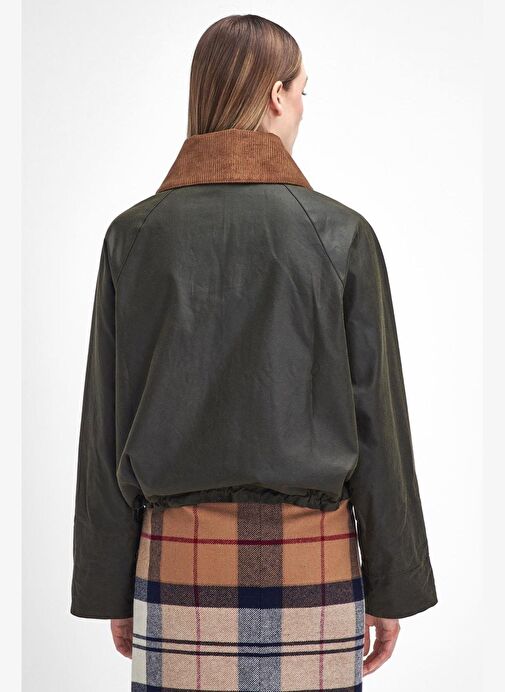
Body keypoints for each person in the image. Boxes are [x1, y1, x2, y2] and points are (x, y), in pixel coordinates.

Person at [70, 13, 438, 691]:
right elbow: (378, 428)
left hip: (175, 560)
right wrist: (394, 584)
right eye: (301, 90)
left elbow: (105, 426)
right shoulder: (341, 234)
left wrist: (106, 583)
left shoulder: (133, 236)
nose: (301, 107)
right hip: (314, 561)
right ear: (275, 94)